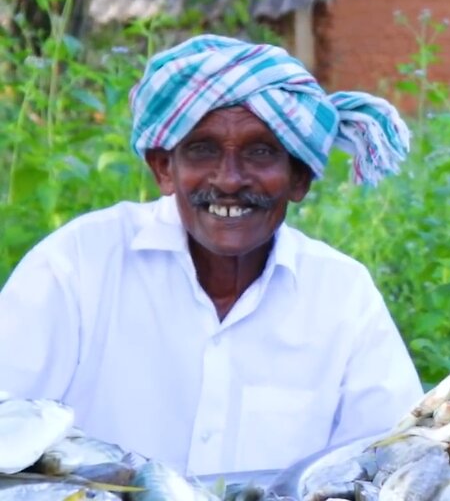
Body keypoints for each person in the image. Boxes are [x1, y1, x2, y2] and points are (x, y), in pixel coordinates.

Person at [0, 35, 424, 477]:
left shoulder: (341, 294)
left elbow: (389, 458)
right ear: (165, 168)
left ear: (299, 178)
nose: (228, 179)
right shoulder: (77, 265)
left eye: (260, 152)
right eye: (203, 149)